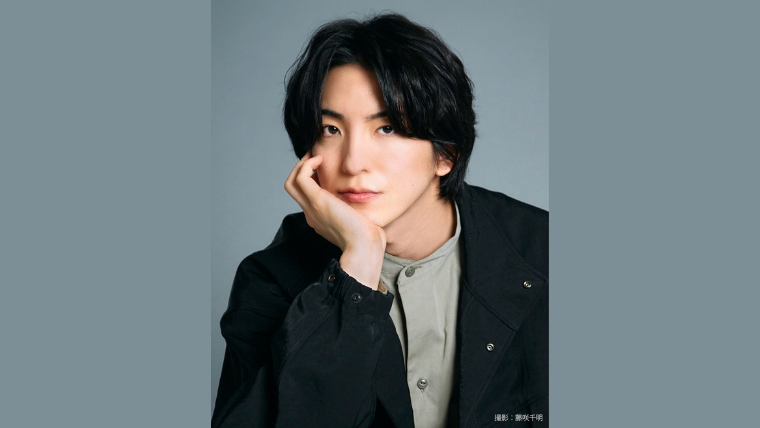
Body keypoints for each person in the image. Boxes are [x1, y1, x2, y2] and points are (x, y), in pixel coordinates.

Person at [212, 13, 548, 428]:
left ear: (446, 153)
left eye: (386, 128)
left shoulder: (543, 250)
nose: (353, 162)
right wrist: (357, 267)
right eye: (330, 129)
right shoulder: (269, 281)